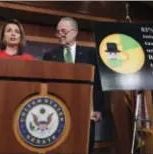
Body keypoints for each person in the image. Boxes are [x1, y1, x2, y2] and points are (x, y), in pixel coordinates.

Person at [43, 17, 104, 153]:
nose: (60, 35)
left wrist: (98, 108)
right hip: (59, 109)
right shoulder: (49, 55)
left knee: (86, 145)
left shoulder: (91, 54)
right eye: (58, 32)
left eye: (63, 31)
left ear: (75, 32)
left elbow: (98, 82)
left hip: (87, 109)